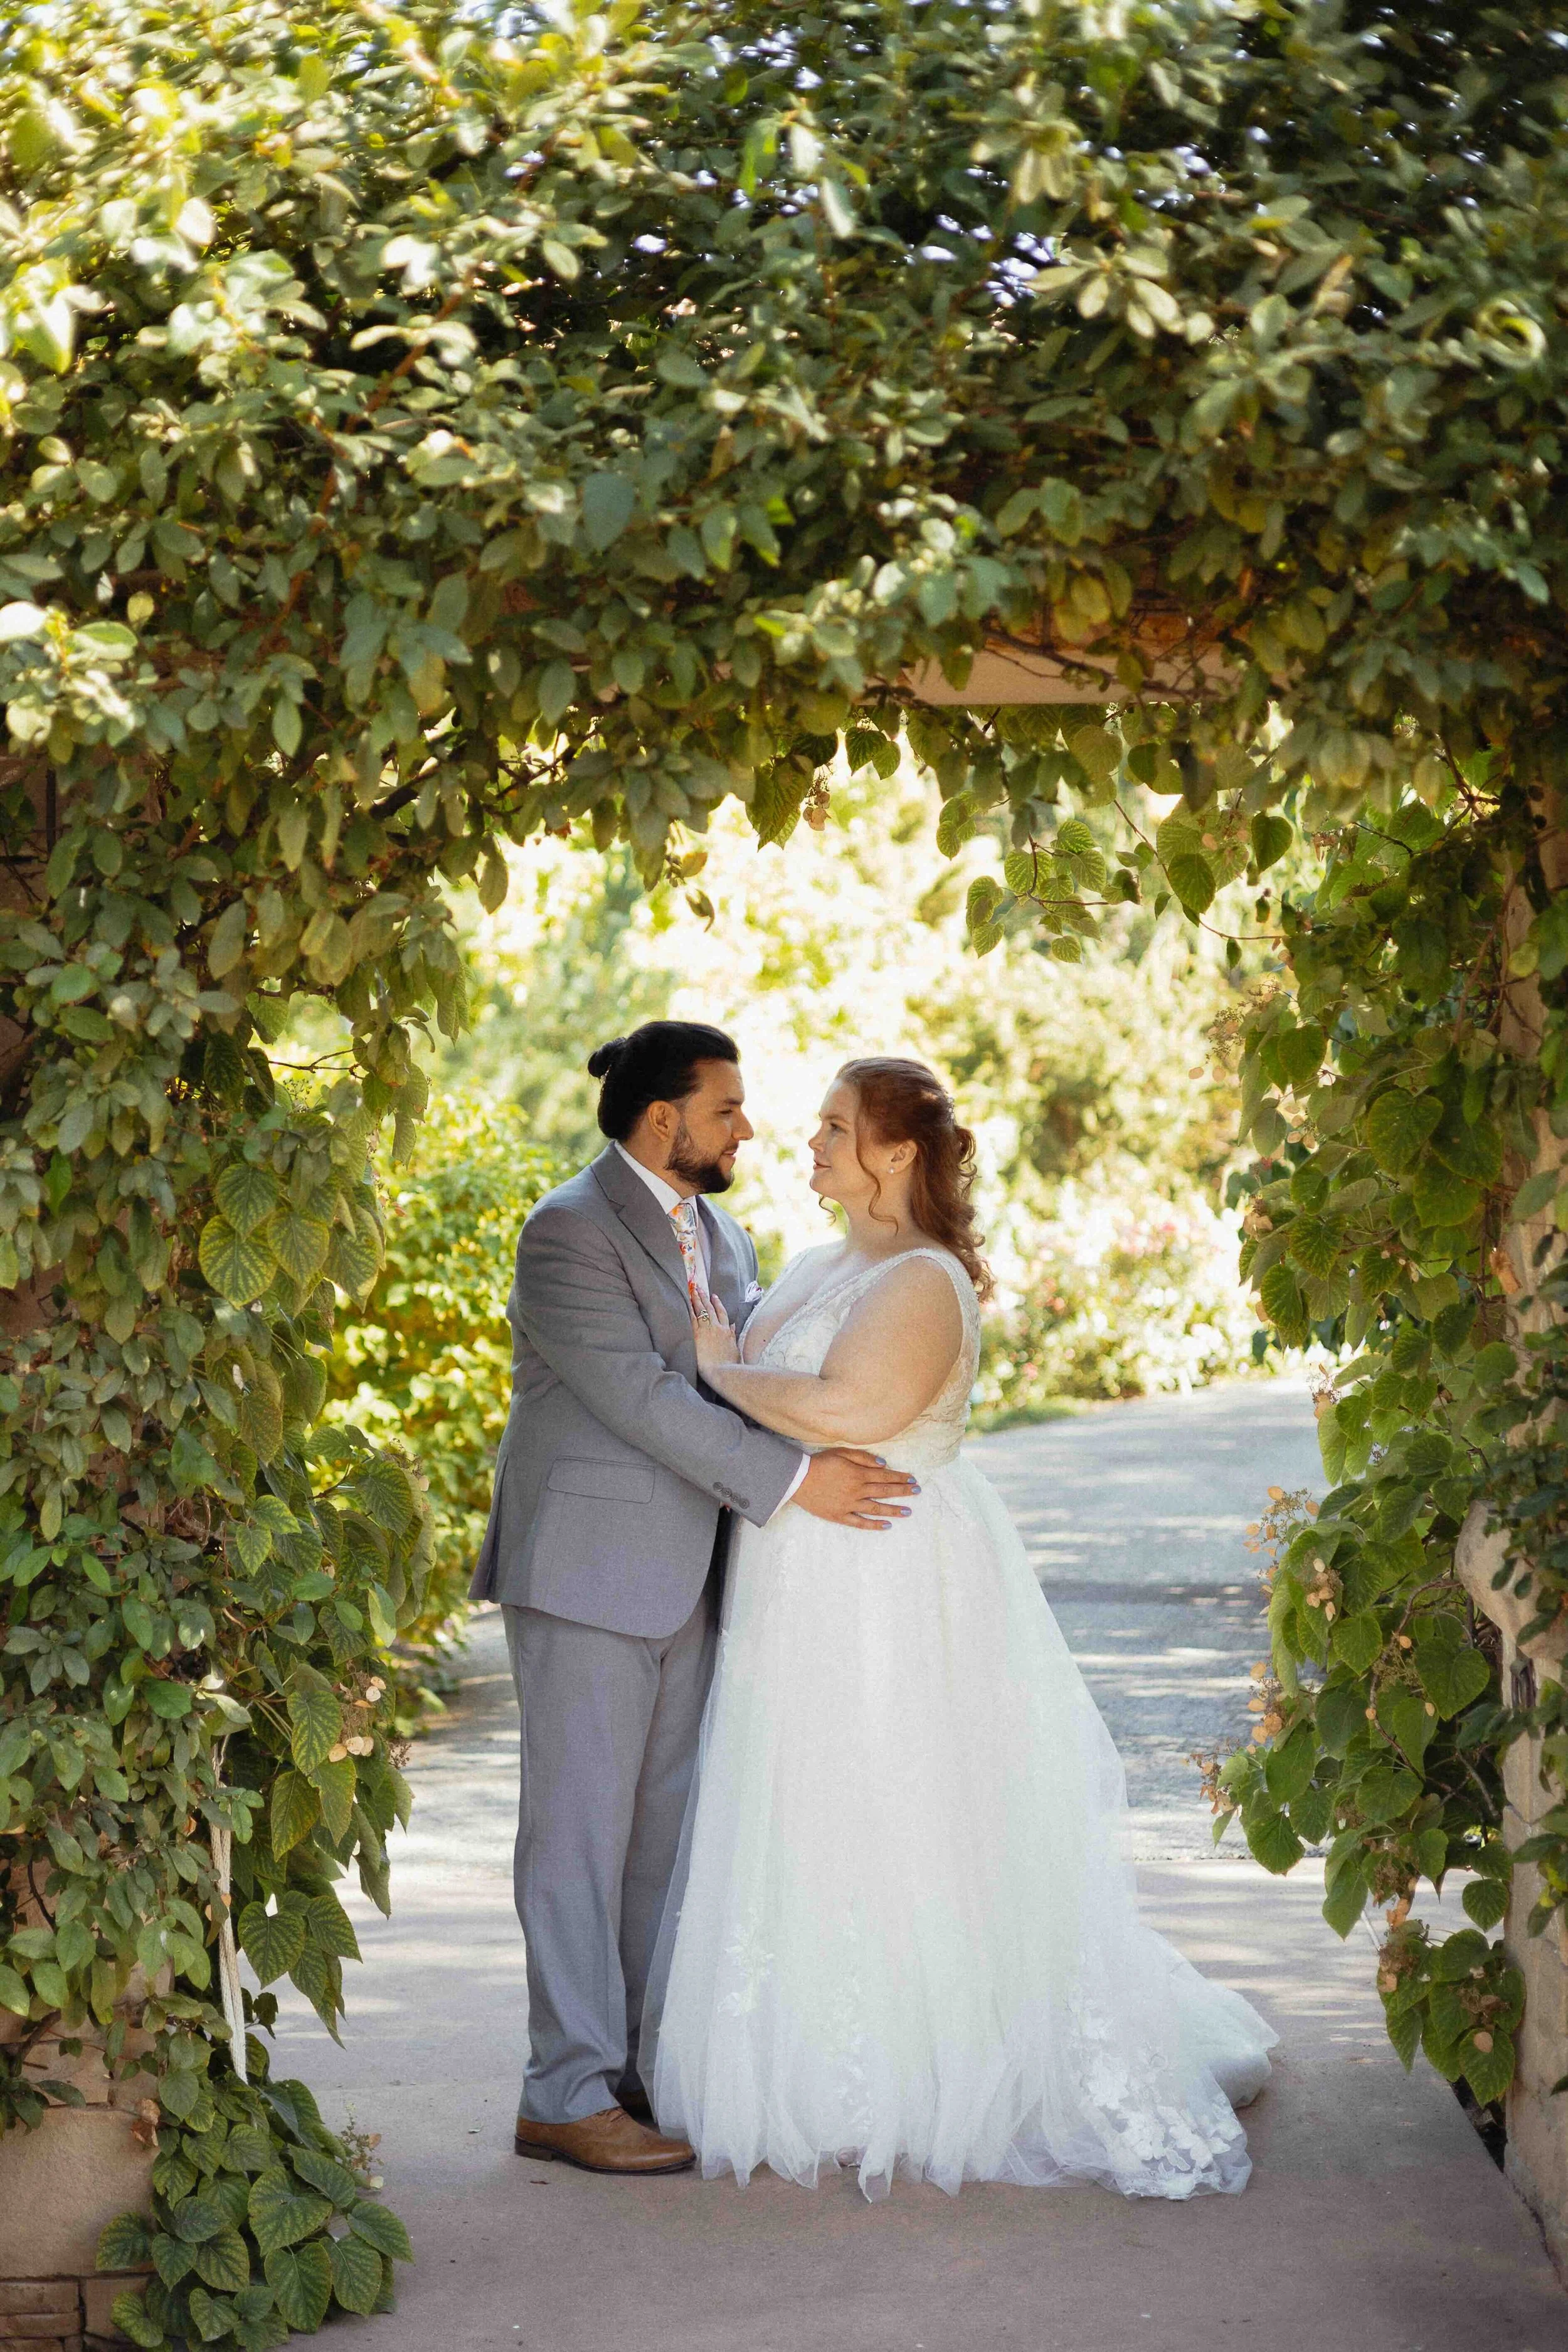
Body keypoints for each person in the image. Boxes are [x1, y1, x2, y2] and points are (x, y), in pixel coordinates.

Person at [642, 1055, 1278, 2201]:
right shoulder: (813, 1262)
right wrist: (735, 1370)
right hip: (800, 1575)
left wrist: (724, 1375)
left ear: (895, 1154)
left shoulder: (926, 1281)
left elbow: (857, 1410)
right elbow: (775, 1383)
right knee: (805, 1800)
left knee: (903, 1795)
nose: (813, 1140)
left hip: (891, 1576)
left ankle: (933, 2064)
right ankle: (814, 2060)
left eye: (837, 1127)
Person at [469, 1022, 919, 2175]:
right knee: (576, 1838)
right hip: (584, 1571)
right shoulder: (566, 1229)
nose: (748, 1129)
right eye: (728, 1109)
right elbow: (641, 1397)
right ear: (663, 1119)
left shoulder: (725, 1232)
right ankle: (560, 2091)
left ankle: (624, 2073)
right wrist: (797, 1482)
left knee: (662, 1847)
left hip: (700, 1577)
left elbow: (754, 1377)